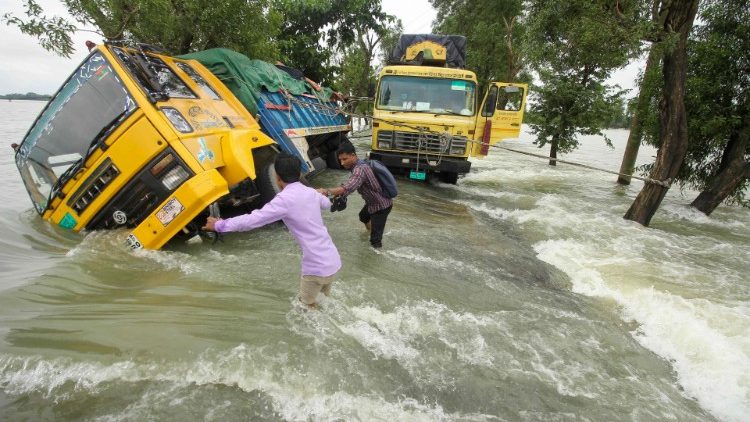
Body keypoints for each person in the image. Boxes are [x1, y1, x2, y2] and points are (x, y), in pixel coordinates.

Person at [202, 153, 341, 308]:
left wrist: (219, 225)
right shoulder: (310, 192)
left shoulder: (283, 200)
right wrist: (319, 192)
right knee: (323, 304)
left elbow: (252, 220)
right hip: (332, 260)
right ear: (299, 173)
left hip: (315, 267)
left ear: (277, 177)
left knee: (306, 309)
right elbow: (327, 204)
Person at [317, 142, 393, 248]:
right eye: (340, 160)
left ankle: (376, 253)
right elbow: (353, 185)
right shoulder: (358, 165)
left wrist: (326, 191)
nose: (342, 163)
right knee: (363, 216)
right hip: (372, 202)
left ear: (353, 155)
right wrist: (339, 196)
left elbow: (347, 187)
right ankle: (373, 230)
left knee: (375, 242)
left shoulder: (360, 169)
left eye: (345, 159)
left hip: (381, 205)